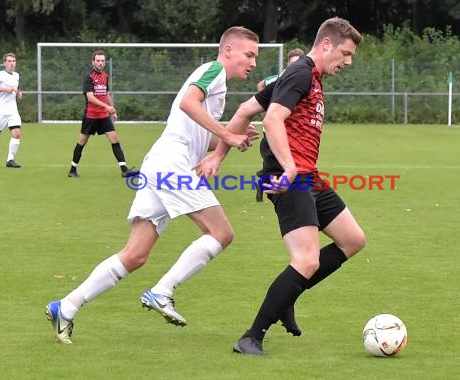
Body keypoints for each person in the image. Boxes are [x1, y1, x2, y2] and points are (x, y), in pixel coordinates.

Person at [45, 26, 259, 344]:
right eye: (249, 54)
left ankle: (67, 305)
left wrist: (229, 138)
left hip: (159, 164)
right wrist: (227, 134)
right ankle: (163, 291)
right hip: (171, 165)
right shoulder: (213, 70)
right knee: (222, 233)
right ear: (228, 50)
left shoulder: (217, 83)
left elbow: (199, 132)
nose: (253, 62)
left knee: (135, 255)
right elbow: (189, 103)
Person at [208, 17, 365, 356]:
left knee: (353, 240)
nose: (348, 62)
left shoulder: (302, 75)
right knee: (306, 259)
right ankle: (251, 337)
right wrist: (290, 167)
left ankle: (287, 297)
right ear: (326, 44)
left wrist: (220, 153)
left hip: (307, 176)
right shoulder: (300, 73)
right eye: (346, 53)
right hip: (287, 177)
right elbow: (272, 118)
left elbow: (247, 109)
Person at [67, 49, 135, 178]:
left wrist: (112, 109)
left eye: (103, 61)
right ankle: (72, 170)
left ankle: (124, 169)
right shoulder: (89, 77)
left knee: (114, 139)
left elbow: (106, 94)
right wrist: (106, 107)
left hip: (103, 116)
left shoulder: (105, 76)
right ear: (93, 62)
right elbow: (90, 97)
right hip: (91, 116)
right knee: (82, 141)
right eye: (98, 60)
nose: (100, 63)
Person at [254, 48, 305, 202]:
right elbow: (261, 85)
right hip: (274, 127)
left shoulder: (303, 79)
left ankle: (272, 183)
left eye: (297, 63)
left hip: (290, 129)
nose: (294, 66)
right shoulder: (278, 79)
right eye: (291, 64)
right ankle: (266, 183)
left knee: (288, 160)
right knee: (273, 162)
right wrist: (268, 105)